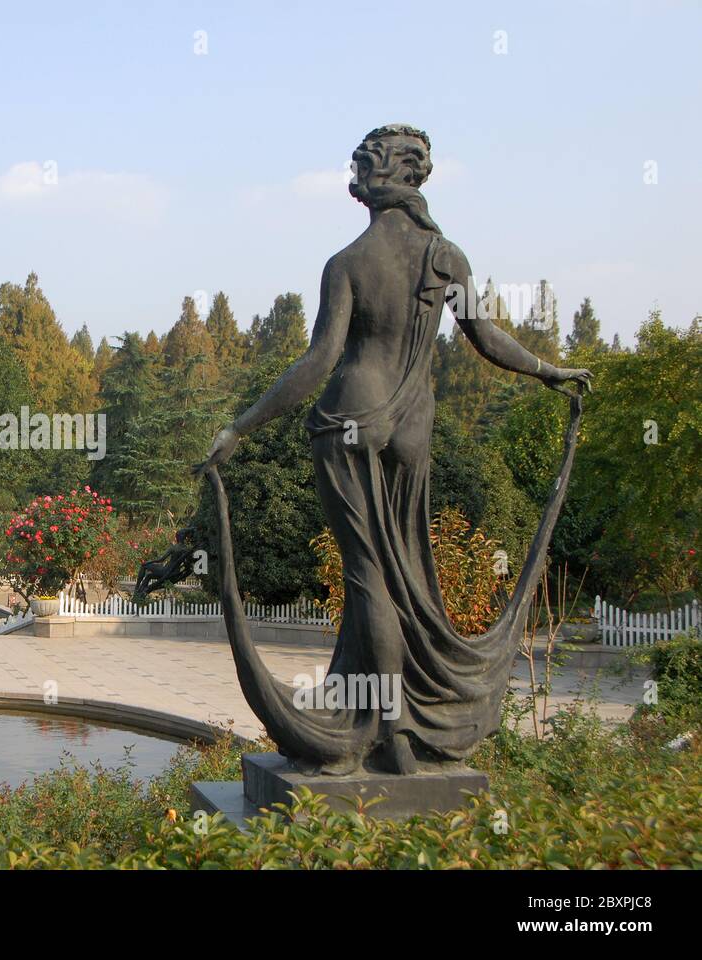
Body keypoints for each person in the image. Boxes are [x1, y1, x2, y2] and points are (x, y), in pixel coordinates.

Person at [199, 125, 591, 774]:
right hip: (412, 427)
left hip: (350, 418)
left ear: (374, 177)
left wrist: (240, 426)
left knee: (369, 577)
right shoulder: (446, 257)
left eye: (358, 166)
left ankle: (390, 735)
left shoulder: (348, 264)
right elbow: (485, 337)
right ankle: (390, 724)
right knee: (406, 572)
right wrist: (550, 370)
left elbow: (320, 360)